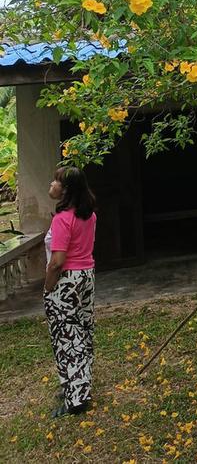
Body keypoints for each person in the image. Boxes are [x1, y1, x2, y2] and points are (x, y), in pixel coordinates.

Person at [44, 166, 97, 417]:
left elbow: (57, 261)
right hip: (86, 275)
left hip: (66, 281)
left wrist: (48, 286)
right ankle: (78, 385)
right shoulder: (89, 215)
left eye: (56, 181)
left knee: (66, 337)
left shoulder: (63, 219)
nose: (51, 184)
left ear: (65, 191)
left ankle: (76, 399)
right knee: (83, 331)